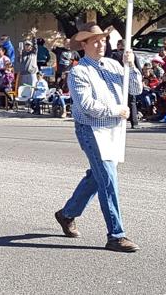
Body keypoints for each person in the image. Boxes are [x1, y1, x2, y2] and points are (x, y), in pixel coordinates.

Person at [54, 22, 142, 253]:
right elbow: (87, 105)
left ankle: (67, 214)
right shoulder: (79, 71)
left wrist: (131, 67)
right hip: (92, 129)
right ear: (84, 45)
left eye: (104, 40)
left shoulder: (114, 65)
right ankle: (116, 235)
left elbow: (135, 89)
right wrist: (115, 110)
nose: (101, 44)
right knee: (108, 179)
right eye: (95, 41)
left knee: (98, 177)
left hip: (113, 130)